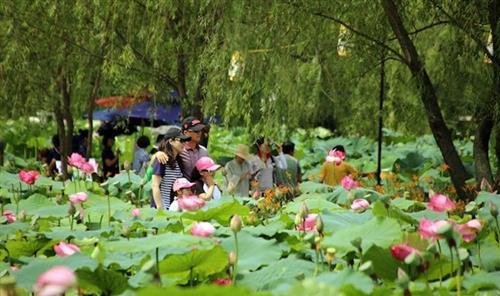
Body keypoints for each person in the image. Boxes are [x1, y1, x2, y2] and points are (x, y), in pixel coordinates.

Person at [151, 128, 190, 210]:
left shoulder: (178, 161)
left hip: (173, 209)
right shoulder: (162, 160)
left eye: (185, 141)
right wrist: (160, 209)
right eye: (181, 141)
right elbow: (155, 185)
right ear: (171, 141)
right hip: (162, 209)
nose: (184, 143)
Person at [179, 117, 208, 181]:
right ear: (185, 132)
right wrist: (158, 154)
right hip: (183, 189)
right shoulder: (179, 150)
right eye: (196, 131)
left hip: (201, 189)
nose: (199, 133)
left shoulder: (204, 151)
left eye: (200, 130)